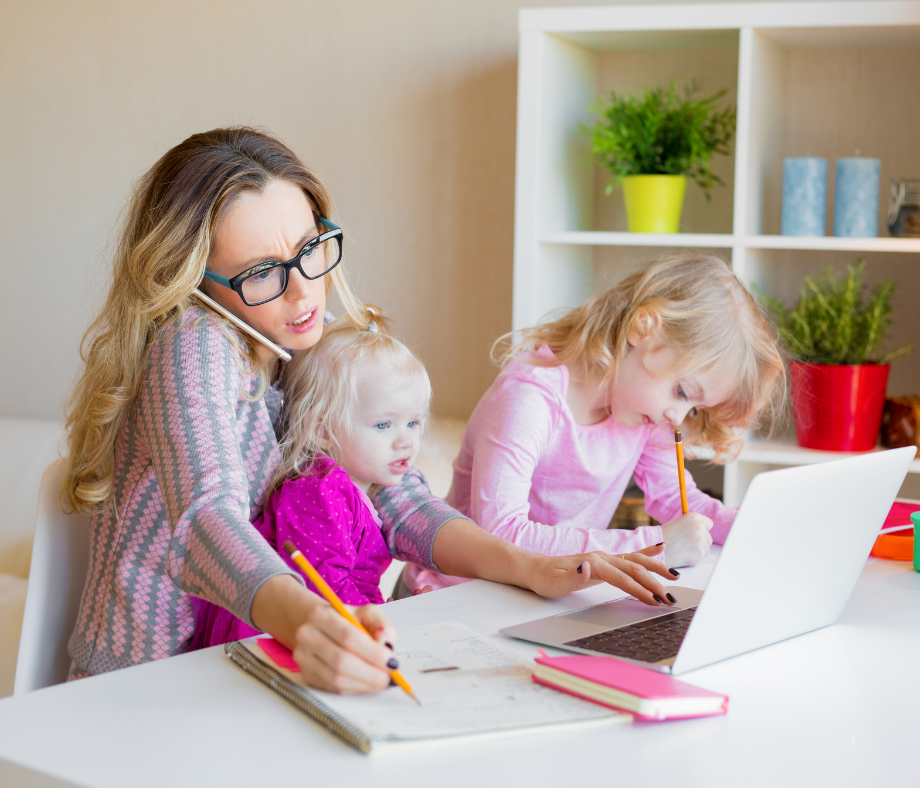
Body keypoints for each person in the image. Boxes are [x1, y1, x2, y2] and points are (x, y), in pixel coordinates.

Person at [61, 127, 670, 694]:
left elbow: (397, 497)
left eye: (309, 252)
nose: (303, 293)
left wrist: (528, 566)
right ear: (193, 282)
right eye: (261, 275)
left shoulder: (303, 336)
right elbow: (205, 520)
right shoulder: (192, 342)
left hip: (240, 662)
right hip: (149, 682)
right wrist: (307, 623)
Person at [189, 310, 677, 648]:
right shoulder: (321, 490)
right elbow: (330, 595)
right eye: (383, 426)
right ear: (320, 428)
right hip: (271, 643)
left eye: (414, 424)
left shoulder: (362, 486)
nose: (405, 443)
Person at [401, 255, 786, 594]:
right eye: (683, 391)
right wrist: (652, 545)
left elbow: (680, 502)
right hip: (455, 592)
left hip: (549, 591)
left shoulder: (642, 412)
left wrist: (754, 525)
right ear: (643, 329)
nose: (678, 417)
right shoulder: (531, 397)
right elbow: (501, 535)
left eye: (695, 409)